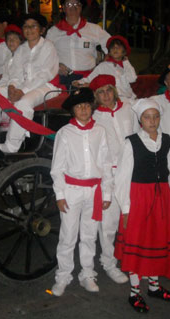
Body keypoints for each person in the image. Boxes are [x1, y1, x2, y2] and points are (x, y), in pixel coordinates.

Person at [114, 98, 170, 314]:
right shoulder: (131, 142)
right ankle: (135, 292)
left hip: (162, 198)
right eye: (147, 117)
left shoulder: (168, 141)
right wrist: (126, 208)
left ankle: (154, 286)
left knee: (157, 241)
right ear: (140, 120)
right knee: (138, 243)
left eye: (155, 117)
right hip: (139, 199)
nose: (152, 121)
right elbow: (122, 178)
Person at [50, 87, 113, 297]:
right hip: (72, 191)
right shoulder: (65, 133)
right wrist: (60, 195)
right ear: (73, 111)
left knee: (89, 235)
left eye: (87, 105)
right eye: (79, 107)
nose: (84, 110)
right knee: (68, 235)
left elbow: (105, 163)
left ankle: (87, 273)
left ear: (92, 108)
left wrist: (106, 193)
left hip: (93, 191)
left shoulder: (100, 131)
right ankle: (63, 276)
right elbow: (57, 167)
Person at [90, 74, 139, 285]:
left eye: (108, 90)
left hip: (133, 172)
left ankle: (132, 258)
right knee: (109, 223)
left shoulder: (129, 108)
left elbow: (140, 134)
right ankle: (108, 263)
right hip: (109, 175)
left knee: (133, 219)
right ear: (96, 96)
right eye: (100, 93)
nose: (106, 95)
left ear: (115, 90)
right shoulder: (93, 118)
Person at [0, 13, 60, 152]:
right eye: (26, 26)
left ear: (41, 30)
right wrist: (12, 87)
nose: (29, 29)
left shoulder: (48, 46)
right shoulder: (21, 49)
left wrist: (22, 91)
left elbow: (44, 75)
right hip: (21, 86)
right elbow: (15, 73)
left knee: (23, 103)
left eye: (33, 26)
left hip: (47, 86)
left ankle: (11, 146)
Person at [46, 0, 111, 88]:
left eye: (77, 4)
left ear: (81, 8)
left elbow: (112, 46)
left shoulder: (94, 29)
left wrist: (103, 65)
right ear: (63, 8)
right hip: (62, 78)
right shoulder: (53, 31)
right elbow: (45, 55)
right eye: (69, 4)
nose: (73, 7)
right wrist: (56, 65)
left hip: (88, 79)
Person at [74, 35, 137, 103]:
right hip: (111, 100)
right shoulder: (103, 66)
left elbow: (132, 79)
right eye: (112, 48)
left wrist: (126, 62)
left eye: (118, 48)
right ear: (109, 52)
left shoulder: (126, 66)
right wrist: (79, 82)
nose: (115, 50)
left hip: (128, 98)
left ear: (124, 52)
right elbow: (90, 78)